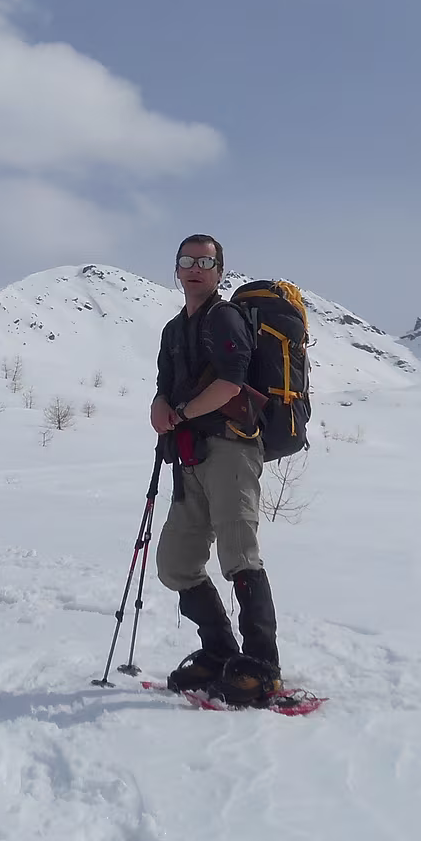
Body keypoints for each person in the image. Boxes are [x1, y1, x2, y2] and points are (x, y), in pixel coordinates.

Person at [150, 234, 281, 701]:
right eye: (186, 260)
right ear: (176, 268)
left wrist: (182, 413)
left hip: (231, 449)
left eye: (205, 262)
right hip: (191, 454)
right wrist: (160, 405)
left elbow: (231, 383)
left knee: (239, 554)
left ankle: (262, 666)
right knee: (176, 563)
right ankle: (221, 652)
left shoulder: (224, 318)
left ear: (220, 271)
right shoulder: (173, 330)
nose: (194, 268)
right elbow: (165, 384)